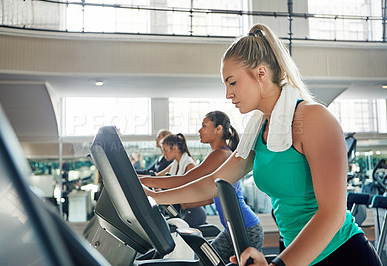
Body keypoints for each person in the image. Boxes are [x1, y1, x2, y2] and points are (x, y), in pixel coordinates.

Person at [143, 23, 382, 266]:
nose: (227, 94)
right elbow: (212, 183)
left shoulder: (315, 119)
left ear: (261, 73)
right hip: (299, 258)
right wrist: (152, 197)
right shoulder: (258, 131)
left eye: (232, 82)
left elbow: (332, 214)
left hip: (343, 256)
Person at [141, 110, 264, 264]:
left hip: (246, 228)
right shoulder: (219, 154)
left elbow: (186, 179)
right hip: (233, 228)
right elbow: (208, 193)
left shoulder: (221, 155)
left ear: (218, 129)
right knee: (206, 260)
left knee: (207, 261)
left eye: (204, 126)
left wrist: (145, 183)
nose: (199, 130)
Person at [156, 133, 207, 227]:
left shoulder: (190, 165)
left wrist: (163, 190)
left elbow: (189, 190)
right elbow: (157, 177)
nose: (163, 154)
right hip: (182, 210)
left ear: (174, 148)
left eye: (165, 150)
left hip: (194, 212)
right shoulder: (175, 164)